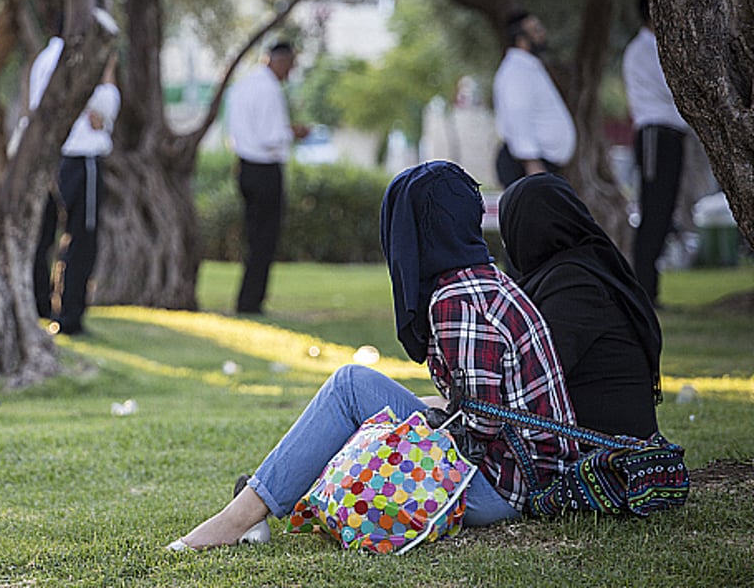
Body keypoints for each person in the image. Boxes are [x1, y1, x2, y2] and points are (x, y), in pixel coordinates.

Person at [168, 161, 578, 550]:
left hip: (504, 489)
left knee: (351, 387)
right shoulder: (486, 280)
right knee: (367, 400)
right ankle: (260, 503)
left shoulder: (457, 299)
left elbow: (480, 427)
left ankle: (237, 518)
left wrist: (401, 430)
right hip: (530, 474)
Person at [499, 173, 662, 438]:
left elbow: (534, 376)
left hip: (603, 456)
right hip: (582, 441)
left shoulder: (575, 285)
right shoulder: (578, 270)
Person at [30, 44, 121, 336]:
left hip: (48, 156)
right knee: (81, 238)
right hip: (81, 158)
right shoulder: (84, 55)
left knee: (42, 236)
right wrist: (108, 71)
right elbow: (105, 108)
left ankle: (39, 304)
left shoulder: (44, 58)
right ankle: (69, 316)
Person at [225, 41, 309, 314]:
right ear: (280, 61)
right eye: (290, 65)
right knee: (265, 238)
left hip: (244, 166)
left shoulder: (242, 85)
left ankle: (247, 298)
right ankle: (251, 301)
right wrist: (293, 133)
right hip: (265, 168)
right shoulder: (270, 90)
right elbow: (270, 137)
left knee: (253, 236)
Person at [622, 0, 691, 305]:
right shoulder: (642, 51)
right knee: (653, 210)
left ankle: (651, 289)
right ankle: (644, 290)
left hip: (671, 135)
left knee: (664, 212)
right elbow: (673, 86)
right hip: (655, 135)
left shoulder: (656, 48)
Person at [492, 11, 576, 187]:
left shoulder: (528, 66)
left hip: (541, 165)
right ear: (521, 39)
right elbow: (518, 115)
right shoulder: (517, 71)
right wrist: (532, 163)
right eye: (536, 30)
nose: (542, 33)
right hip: (528, 167)